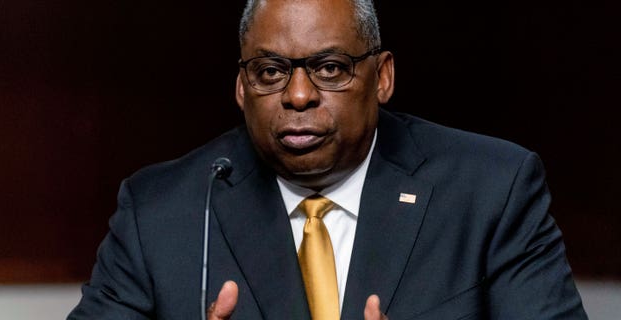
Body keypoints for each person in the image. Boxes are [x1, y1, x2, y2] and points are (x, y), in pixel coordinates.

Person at [68, 0, 588, 319]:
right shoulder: (162, 211)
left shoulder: (491, 192)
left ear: (382, 77)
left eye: (330, 67)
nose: (297, 96)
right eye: (270, 71)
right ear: (242, 88)